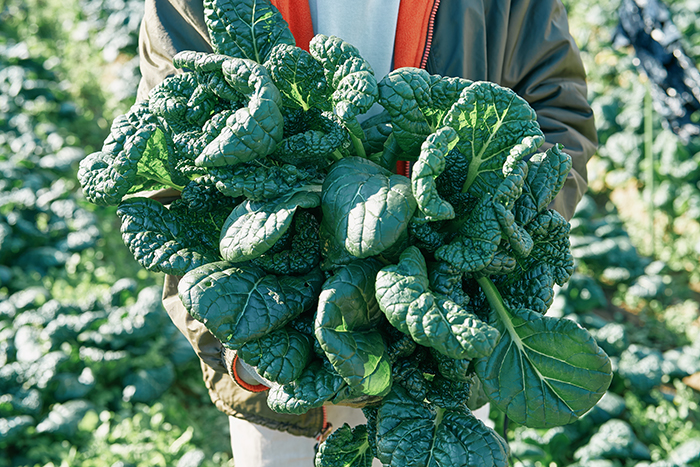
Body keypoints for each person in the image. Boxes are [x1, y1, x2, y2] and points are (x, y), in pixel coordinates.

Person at [137, 0, 598, 465]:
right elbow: (171, 137)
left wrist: (488, 248)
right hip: (285, 380)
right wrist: (253, 350)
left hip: (435, 376)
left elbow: (556, 111)